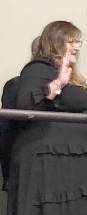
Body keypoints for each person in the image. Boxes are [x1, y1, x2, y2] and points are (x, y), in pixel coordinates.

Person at [6, 21, 87, 215]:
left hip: (72, 162)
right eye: (71, 41)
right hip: (50, 164)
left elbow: (70, 121)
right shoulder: (38, 69)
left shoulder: (73, 75)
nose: (77, 46)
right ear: (56, 41)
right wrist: (57, 85)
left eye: (79, 42)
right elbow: (25, 105)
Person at [0, 36, 40, 191]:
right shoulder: (16, 85)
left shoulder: (71, 88)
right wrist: (8, 172)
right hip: (24, 161)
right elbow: (6, 129)